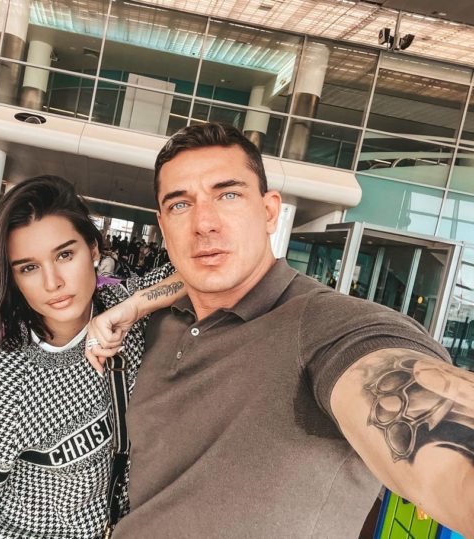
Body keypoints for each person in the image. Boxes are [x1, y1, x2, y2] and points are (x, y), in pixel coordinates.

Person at [87, 124, 474, 538]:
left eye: (228, 195)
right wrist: (137, 303)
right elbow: (190, 275)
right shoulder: (159, 319)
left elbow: (400, 389)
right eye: (181, 204)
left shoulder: (328, 325)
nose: (204, 223)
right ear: (163, 227)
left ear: (270, 211)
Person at [0, 175, 185, 539]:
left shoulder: (124, 311)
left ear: (94, 250)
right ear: (14, 278)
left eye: (65, 255)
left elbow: (199, 272)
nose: (53, 282)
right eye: (29, 267)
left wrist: (134, 308)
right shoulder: (0, 381)